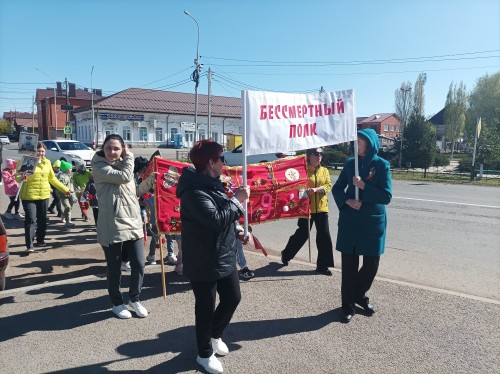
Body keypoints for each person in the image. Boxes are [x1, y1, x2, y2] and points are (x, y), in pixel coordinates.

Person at [176, 139, 250, 374]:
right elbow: (215, 219)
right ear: (210, 162)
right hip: (203, 258)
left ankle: (215, 335)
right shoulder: (193, 191)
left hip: (224, 253)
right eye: (221, 158)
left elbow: (225, 216)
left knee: (232, 298)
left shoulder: (215, 183)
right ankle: (204, 354)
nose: (224, 163)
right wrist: (238, 201)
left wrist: (238, 230)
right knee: (206, 307)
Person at [91, 134, 155, 320]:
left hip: (132, 222)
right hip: (112, 224)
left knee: (139, 264)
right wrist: (129, 155)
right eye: (108, 148)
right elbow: (125, 176)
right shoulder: (99, 166)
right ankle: (117, 303)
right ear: (103, 149)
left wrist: (150, 181)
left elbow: (133, 192)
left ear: (122, 148)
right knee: (114, 268)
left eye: (116, 148)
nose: (112, 152)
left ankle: (134, 298)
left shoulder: (124, 165)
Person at [332, 128, 392, 323]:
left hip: (372, 223)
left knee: (371, 265)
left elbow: (386, 196)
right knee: (349, 266)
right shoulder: (350, 164)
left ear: (370, 143)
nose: (356, 144)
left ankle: (359, 294)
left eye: (360, 140)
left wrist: (364, 187)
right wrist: (348, 201)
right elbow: (338, 189)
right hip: (351, 221)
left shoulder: (382, 165)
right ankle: (347, 306)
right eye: (355, 141)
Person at [281, 147, 335, 275]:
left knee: (324, 236)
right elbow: (296, 188)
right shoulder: (303, 171)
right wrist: (305, 193)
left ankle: (323, 266)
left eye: (321, 154)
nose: (319, 156)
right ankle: (286, 254)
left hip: (321, 208)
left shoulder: (324, 170)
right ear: (310, 156)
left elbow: (328, 185)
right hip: (306, 208)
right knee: (302, 234)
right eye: (316, 154)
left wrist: (317, 190)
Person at [19, 142, 71, 252]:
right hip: (29, 196)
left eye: (42, 151)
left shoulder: (47, 163)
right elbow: (17, 177)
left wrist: (65, 190)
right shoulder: (26, 160)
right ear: (34, 151)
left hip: (43, 195)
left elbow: (53, 179)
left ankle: (40, 240)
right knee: (31, 219)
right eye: (38, 151)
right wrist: (22, 176)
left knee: (42, 219)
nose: (40, 153)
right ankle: (29, 245)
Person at [56, 160, 76, 227]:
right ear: (66, 169)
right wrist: (68, 190)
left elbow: (71, 184)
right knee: (68, 207)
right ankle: (68, 221)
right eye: (70, 168)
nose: (71, 169)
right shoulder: (61, 176)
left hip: (70, 194)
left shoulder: (68, 175)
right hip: (63, 194)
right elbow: (61, 186)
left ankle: (63, 217)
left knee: (70, 206)